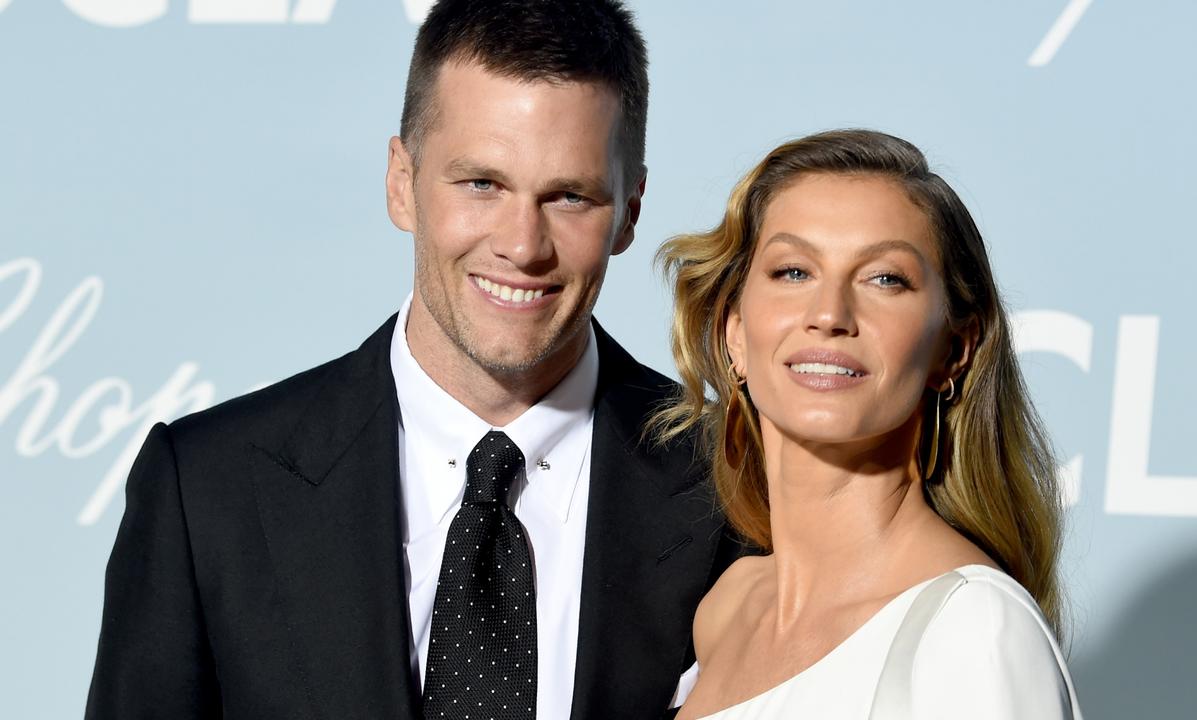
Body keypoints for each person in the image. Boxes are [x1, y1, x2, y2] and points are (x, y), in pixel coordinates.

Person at [85, 2, 738, 718]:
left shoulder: (735, 483)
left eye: (569, 196)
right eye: (482, 184)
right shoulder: (208, 488)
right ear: (402, 182)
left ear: (630, 211)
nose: (523, 245)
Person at [656, 129, 1083, 719]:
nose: (829, 314)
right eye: (793, 272)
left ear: (953, 350)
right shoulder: (729, 608)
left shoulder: (974, 628)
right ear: (734, 334)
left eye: (885, 279)